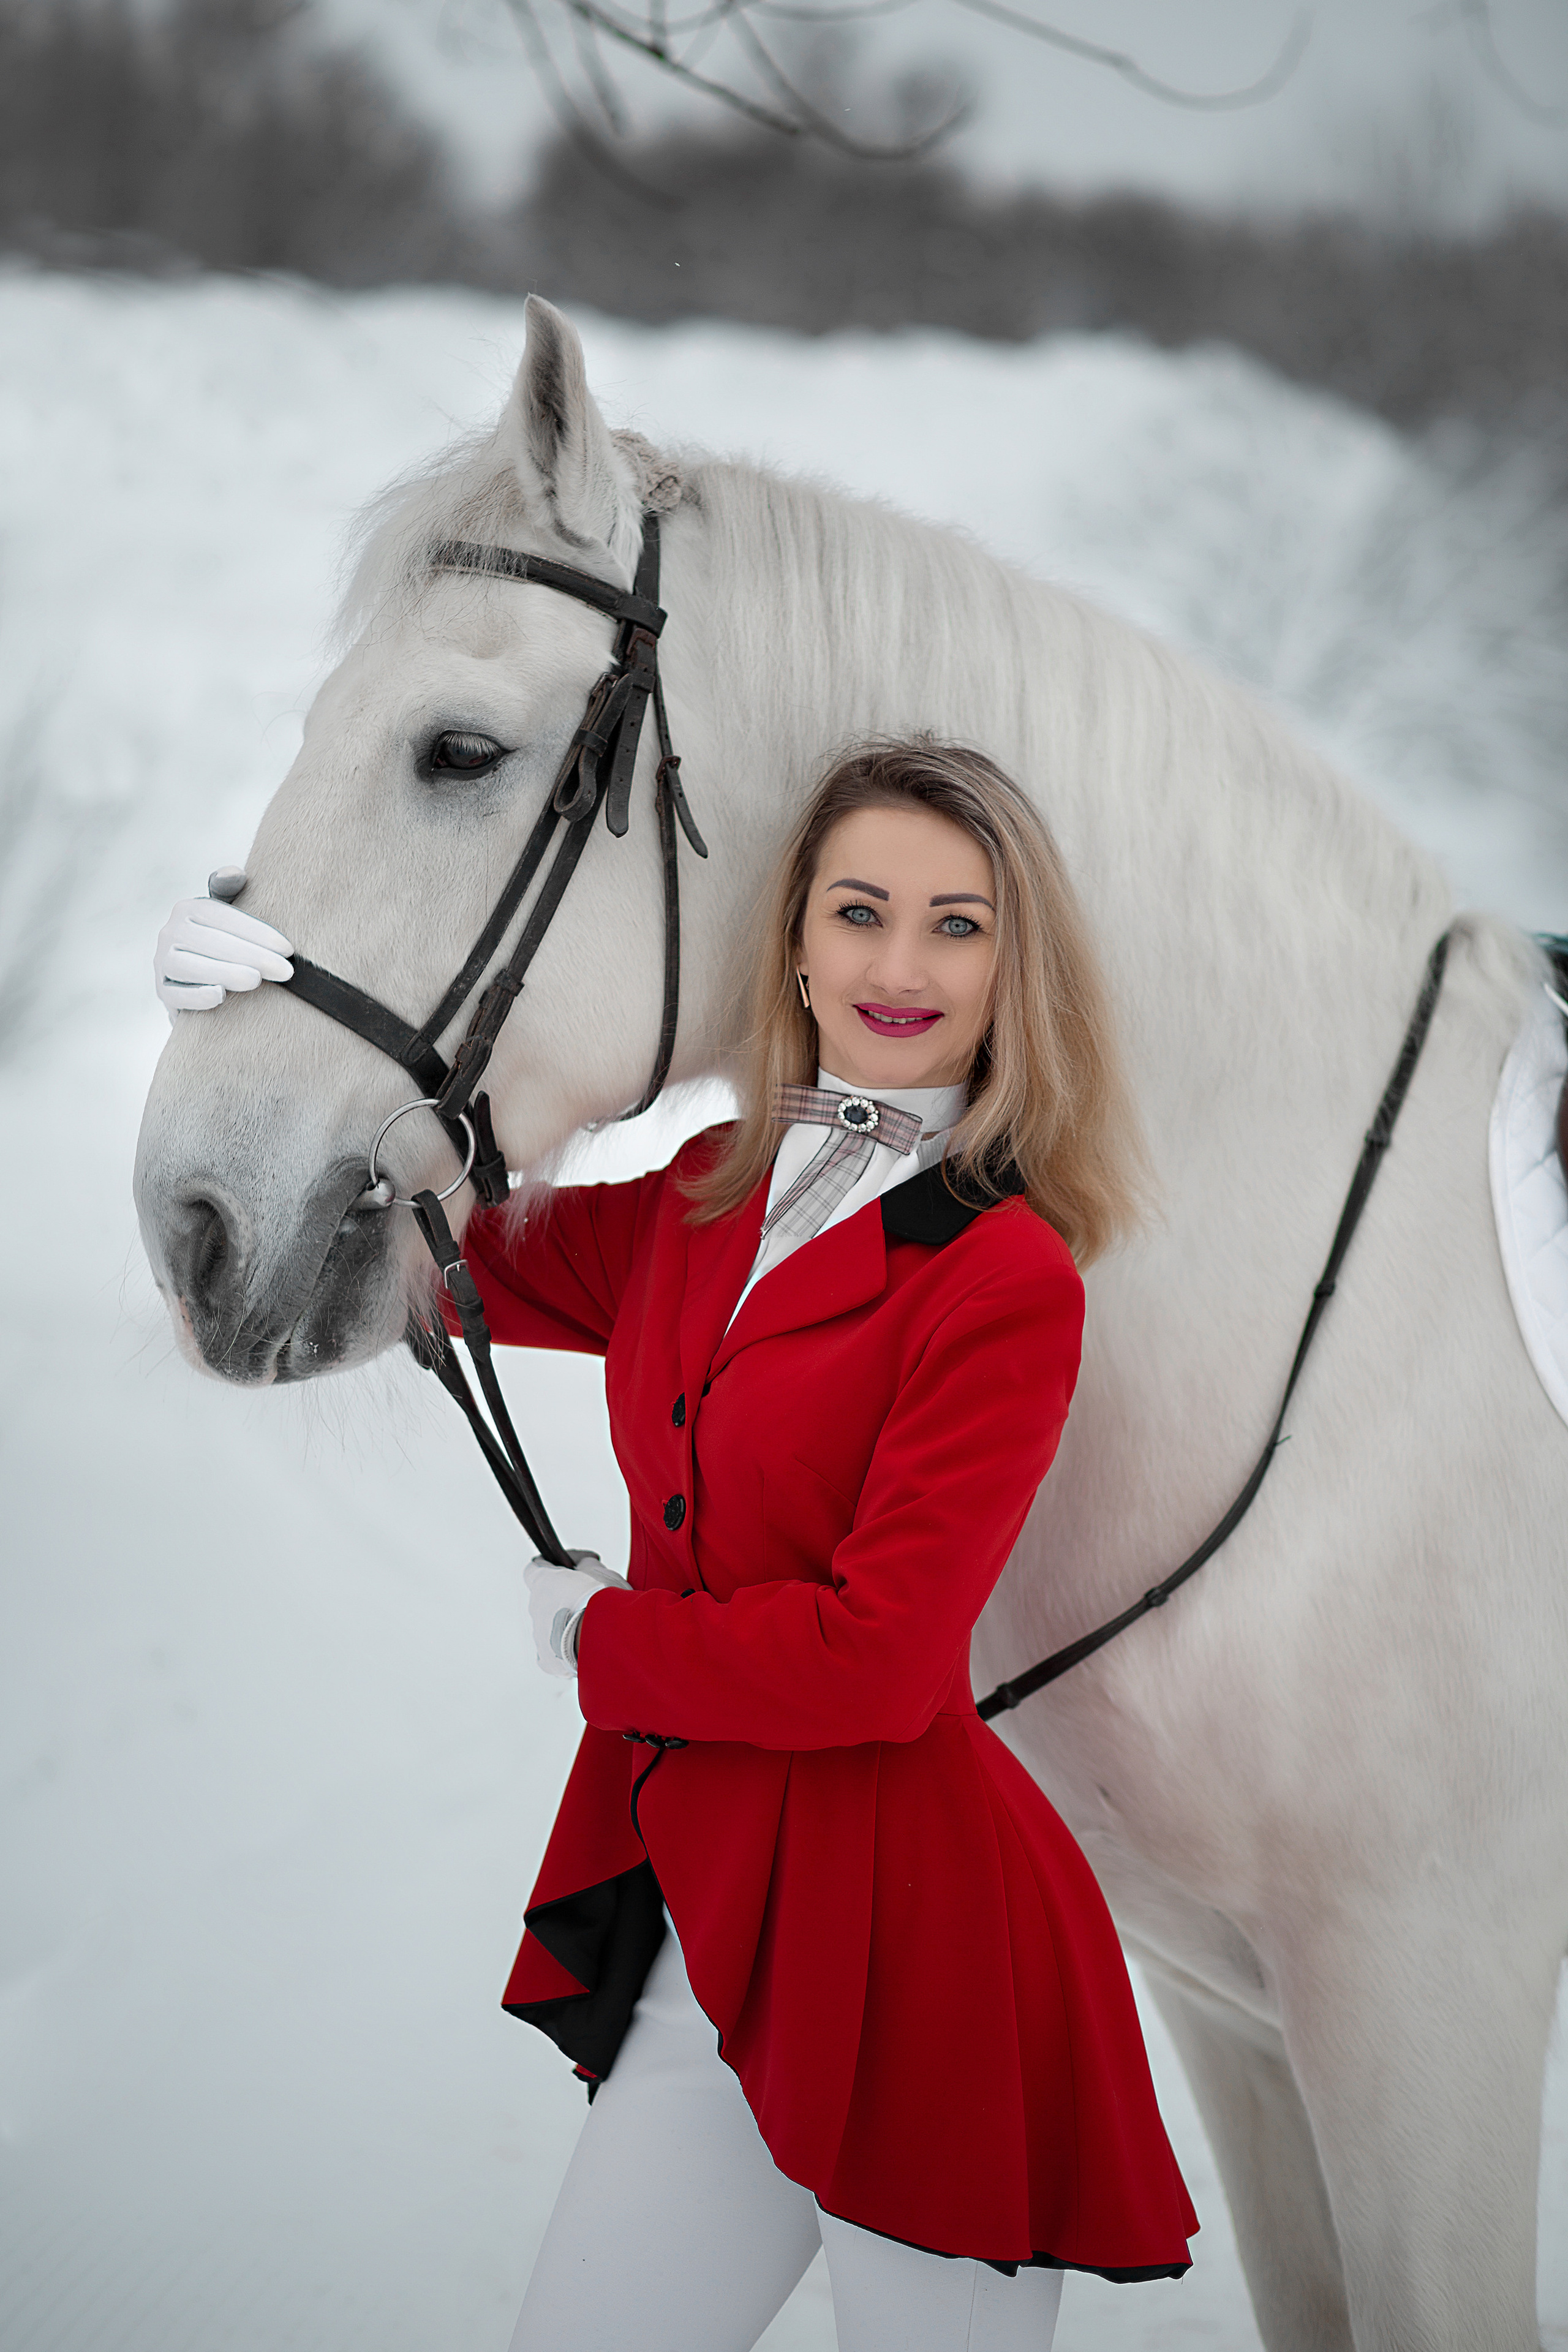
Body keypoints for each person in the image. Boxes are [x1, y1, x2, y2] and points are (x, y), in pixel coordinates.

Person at [154, 737, 1197, 2351]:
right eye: (861, 911)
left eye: (958, 926)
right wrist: (255, 1021)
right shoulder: (706, 1196)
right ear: (793, 940)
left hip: (928, 1962)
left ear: (1016, 971)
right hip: (709, 1917)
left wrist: (604, 1642)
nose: (901, 966)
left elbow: (883, 1657)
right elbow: (403, 1251)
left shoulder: (1004, 1279)